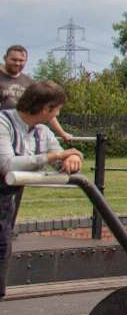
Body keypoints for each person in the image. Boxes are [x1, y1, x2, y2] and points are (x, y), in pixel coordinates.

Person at [0, 81, 83, 298]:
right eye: (57, 109)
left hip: (8, 196)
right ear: (46, 109)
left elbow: (61, 157)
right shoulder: (3, 123)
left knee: (3, 244)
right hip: (5, 188)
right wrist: (53, 156)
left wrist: (72, 158)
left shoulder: (42, 132)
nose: (57, 114)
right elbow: (7, 164)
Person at [0, 45, 71, 142]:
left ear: (26, 61)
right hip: (3, 127)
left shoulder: (30, 83)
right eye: (14, 60)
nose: (17, 63)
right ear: (5, 58)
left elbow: (47, 110)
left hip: (22, 132)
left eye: (21, 60)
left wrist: (62, 133)